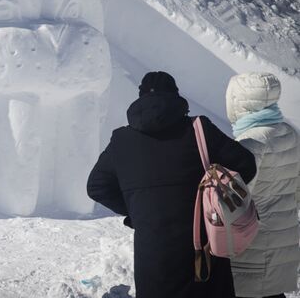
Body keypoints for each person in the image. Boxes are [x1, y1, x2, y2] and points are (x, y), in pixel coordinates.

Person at [87, 71, 257, 298]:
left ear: (140, 99)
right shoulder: (199, 129)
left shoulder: (121, 140)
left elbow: (96, 186)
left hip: (153, 257)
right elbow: (246, 165)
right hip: (204, 251)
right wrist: (216, 195)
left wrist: (137, 212)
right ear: (176, 97)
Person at [226, 72, 300, 298]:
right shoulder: (288, 132)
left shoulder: (251, 142)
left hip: (254, 246)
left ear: (239, 102)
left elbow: (235, 201)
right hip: (282, 240)